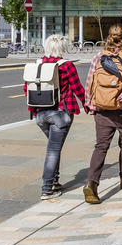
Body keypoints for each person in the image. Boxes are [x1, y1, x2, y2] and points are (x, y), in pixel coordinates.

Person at [82, 23, 122, 204]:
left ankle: (91, 184)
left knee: (101, 146)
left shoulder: (98, 56)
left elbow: (90, 82)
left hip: (102, 107)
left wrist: (90, 105)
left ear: (108, 37)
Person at [28, 34, 86, 198]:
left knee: (54, 147)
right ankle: (47, 188)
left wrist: (34, 110)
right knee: (53, 150)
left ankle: (54, 181)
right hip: (60, 114)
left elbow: (28, 89)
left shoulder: (37, 65)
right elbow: (77, 89)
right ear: (62, 48)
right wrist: (88, 105)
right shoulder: (66, 66)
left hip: (41, 114)